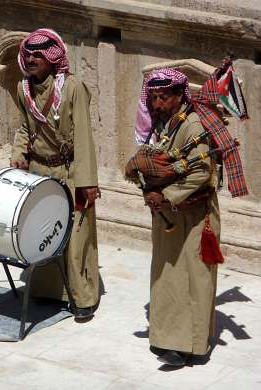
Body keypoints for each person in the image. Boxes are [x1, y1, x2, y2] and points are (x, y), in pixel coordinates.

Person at [10, 29, 100, 320]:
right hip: (39, 171)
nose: (33, 59)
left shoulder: (72, 88)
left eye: (40, 54)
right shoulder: (24, 89)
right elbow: (25, 127)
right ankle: (47, 292)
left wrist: (86, 182)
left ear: (53, 58)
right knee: (43, 231)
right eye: (30, 54)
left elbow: (84, 137)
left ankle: (82, 298)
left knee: (75, 237)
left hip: (69, 171)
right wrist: (18, 154)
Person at [136, 68, 221, 366]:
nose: (157, 104)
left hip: (195, 215)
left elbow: (200, 171)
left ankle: (193, 346)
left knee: (192, 278)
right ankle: (168, 338)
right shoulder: (166, 124)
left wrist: (166, 195)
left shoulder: (193, 125)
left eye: (163, 98)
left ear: (178, 96)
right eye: (154, 98)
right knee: (167, 276)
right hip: (169, 215)